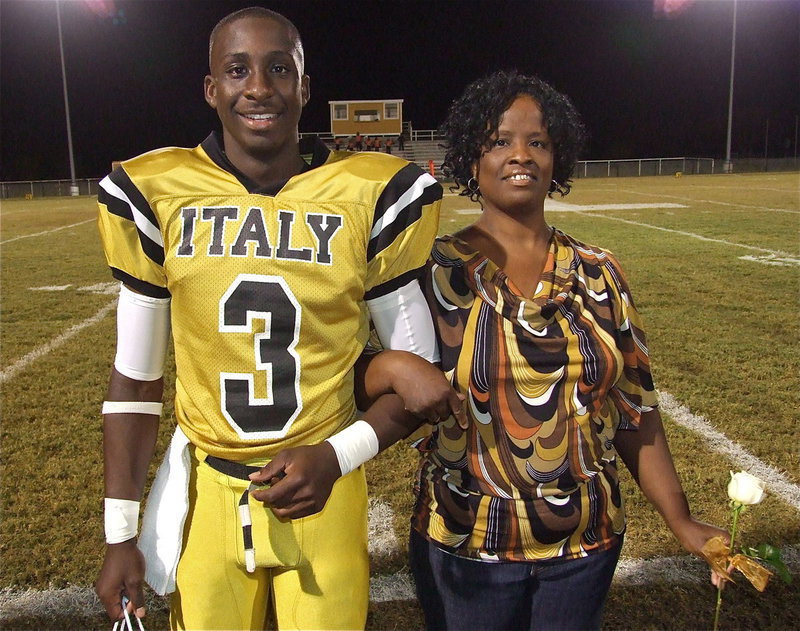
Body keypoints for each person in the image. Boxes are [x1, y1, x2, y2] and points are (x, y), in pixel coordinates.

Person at [94, 7, 463, 630]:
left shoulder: (365, 191)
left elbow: (419, 379)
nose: (259, 87)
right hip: (208, 490)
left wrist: (336, 456)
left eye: (279, 69)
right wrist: (119, 535)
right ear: (212, 89)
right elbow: (135, 382)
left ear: (304, 87)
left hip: (327, 495)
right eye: (237, 70)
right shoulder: (161, 189)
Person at [406, 70, 729, 631]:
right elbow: (382, 390)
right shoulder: (433, 274)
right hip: (466, 543)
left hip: (587, 544)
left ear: (558, 157)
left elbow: (636, 410)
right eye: (499, 140)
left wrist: (681, 519)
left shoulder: (599, 273)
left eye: (539, 141)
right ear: (470, 158)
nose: (521, 154)